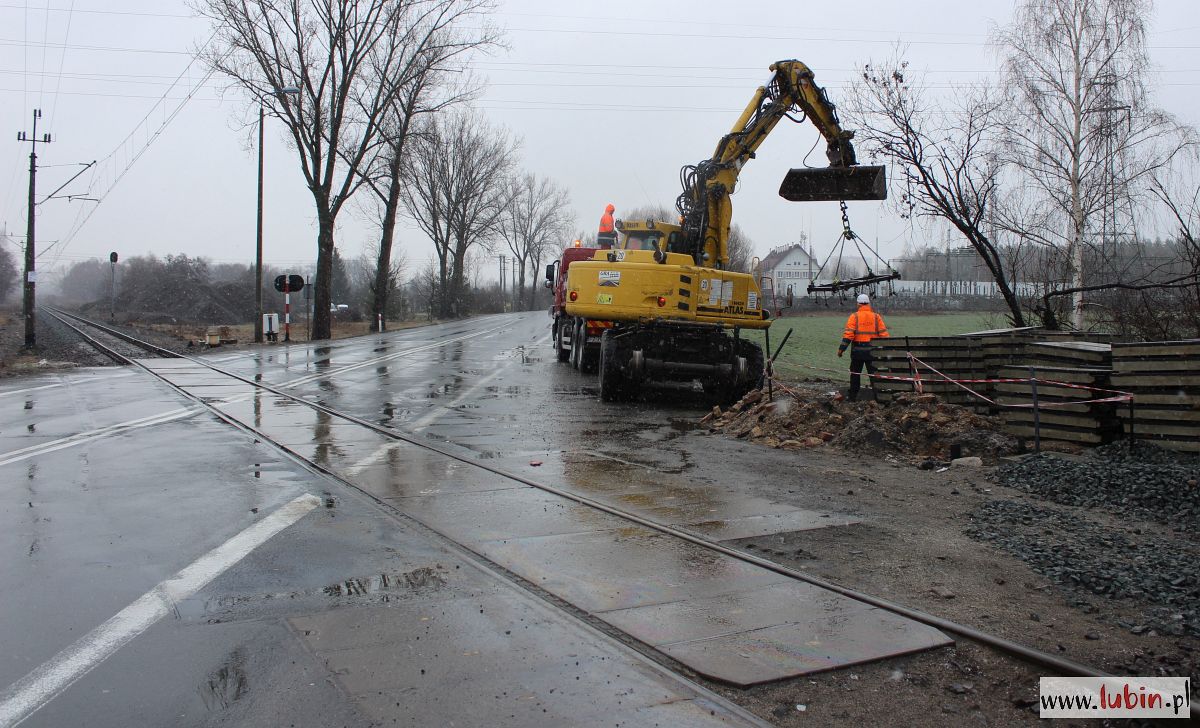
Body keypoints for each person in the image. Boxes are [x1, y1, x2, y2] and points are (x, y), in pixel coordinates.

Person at [837, 293, 889, 401]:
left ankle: (852, 398)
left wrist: (841, 350)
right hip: (872, 352)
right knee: (874, 376)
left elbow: (848, 335)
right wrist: (887, 349)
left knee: (855, 374)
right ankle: (879, 398)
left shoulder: (854, 317)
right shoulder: (876, 317)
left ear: (858, 304)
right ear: (868, 304)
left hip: (857, 351)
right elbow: (884, 335)